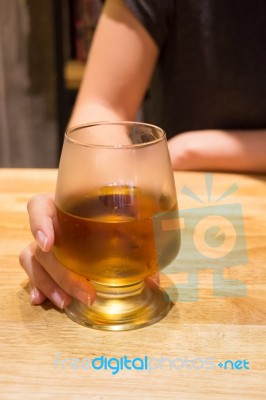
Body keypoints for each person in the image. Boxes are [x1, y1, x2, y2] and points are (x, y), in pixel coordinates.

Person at [19, 0, 266, 309]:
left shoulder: (183, 152)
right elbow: (103, 106)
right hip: (177, 212)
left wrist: (192, 149)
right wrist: (92, 204)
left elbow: (181, 151)